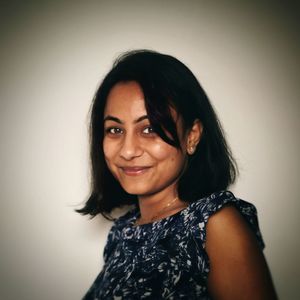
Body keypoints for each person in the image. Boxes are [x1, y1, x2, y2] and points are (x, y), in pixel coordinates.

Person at [77, 50, 277, 299]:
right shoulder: (122, 232)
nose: (127, 151)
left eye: (149, 128)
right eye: (115, 129)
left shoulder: (214, 226)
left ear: (192, 135)